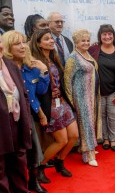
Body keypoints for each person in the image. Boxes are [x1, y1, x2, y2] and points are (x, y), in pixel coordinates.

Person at [0, 26, 45, 193]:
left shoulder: (10, 65)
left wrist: (26, 123)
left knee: (19, 165)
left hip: (17, 125)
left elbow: (24, 97)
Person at [2, 30, 50, 193]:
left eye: (23, 42)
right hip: (9, 118)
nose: (22, 46)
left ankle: (33, 182)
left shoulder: (31, 67)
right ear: (8, 47)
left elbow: (40, 92)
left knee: (34, 151)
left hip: (29, 116)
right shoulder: (3, 69)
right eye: (17, 43)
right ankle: (15, 188)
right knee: (16, 155)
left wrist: (44, 72)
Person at [30, 28, 79, 179]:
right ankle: (40, 167)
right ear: (38, 44)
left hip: (62, 103)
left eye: (51, 38)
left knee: (73, 136)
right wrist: (40, 112)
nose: (51, 41)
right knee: (61, 140)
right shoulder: (34, 63)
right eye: (46, 39)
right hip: (49, 106)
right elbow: (35, 91)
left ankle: (59, 162)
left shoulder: (54, 57)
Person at [64, 29, 101, 166]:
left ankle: (87, 148)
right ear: (76, 43)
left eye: (87, 40)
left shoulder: (87, 54)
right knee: (86, 124)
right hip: (81, 96)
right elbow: (67, 80)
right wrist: (71, 101)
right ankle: (88, 155)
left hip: (91, 94)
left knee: (91, 123)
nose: (86, 43)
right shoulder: (73, 58)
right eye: (82, 41)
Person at [89, 24, 115, 152]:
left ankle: (113, 140)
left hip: (113, 92)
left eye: (110, 34)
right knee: (102, 116)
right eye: (104, 34)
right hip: (97, 92)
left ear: (113, 36)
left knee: (113, 116)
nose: (107, 36)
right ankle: (105, 139)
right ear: (100, 36)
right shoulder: (93, 50)